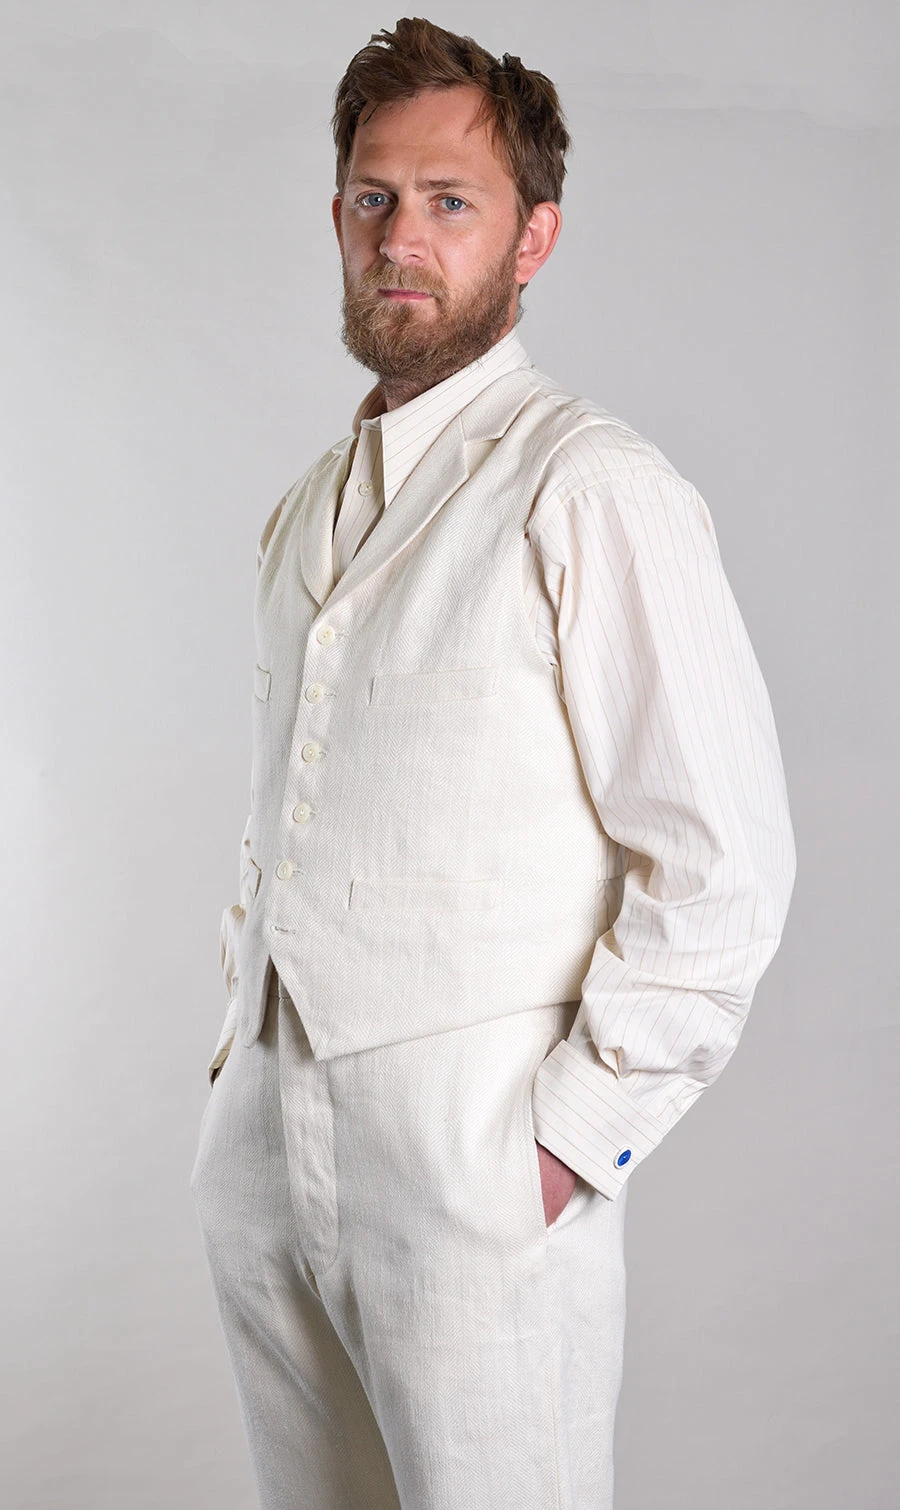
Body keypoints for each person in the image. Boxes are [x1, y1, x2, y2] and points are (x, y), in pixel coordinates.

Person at [190, 18, 796, 1510]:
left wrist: (567, 1145)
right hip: (264, 1143)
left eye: (450, 201)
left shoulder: (591, 485)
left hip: (475, 1148)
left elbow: (724, 864)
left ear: (535, 238)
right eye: (373, 197)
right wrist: (232, 1087)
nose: (401, 237)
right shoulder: (303, 507)